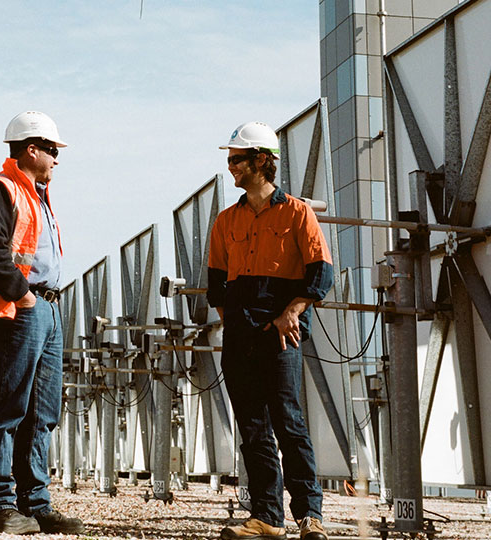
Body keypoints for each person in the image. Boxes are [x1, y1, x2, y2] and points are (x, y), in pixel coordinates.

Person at [0, 111, 84, 535]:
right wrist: (24, 297)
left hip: (46, 308)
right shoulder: (2, 189)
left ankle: (35, 504)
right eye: (52, 150)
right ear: (32, 149)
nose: (56, 159)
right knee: (8, 405)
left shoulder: (37, 195)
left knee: (42, 412)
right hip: (21, 309)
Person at [207, 121, 332, 540]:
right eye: (230, 160)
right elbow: (216, 285)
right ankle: (267, 517)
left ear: (262, 160)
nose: (231, 168)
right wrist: (236, 326)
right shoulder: (226, 221)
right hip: (241, 337)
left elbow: (320, 274)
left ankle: (309, 516)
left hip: (282, 334)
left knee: (288, 422)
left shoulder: (298, 214)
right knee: (253, 428)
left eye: (237, 160)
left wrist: (291, 312)